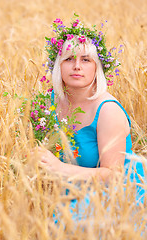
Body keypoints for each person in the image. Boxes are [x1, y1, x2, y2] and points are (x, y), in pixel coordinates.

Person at [32, 16, 145, 203]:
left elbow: (114, 176)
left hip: (111, 196)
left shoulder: (108, 111)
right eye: (69, 59)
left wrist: (59, 168)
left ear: (97, 68)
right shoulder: (47, 103)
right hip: (64, 191)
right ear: (58, 66)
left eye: (85, 60)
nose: (77, 66)